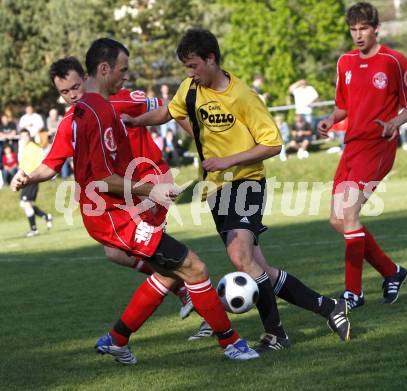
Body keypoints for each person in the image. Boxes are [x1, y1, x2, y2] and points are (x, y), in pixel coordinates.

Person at [123, 28, 351, 350]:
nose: (189, 74)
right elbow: (168, 112)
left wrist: (228, 160)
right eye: (186, 68)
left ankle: (276, 334)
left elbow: (272, 143)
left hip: (246, 182)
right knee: (259, 268)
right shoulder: (190, 89)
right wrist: (134, 122)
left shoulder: (243, 96)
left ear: (211, 59)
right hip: (216, 189)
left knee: (238, 254)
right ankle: (329, 307)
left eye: (193, 66)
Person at [72, 38, 259, 363]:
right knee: (195, 267)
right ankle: (231, 343)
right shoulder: (99, 112)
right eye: (122, 70)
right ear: (103, 69)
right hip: (114, 218)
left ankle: (117, 339)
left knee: (171, 271)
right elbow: (102, 178)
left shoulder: (93, 108)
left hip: (119, 212)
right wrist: (150, 190)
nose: (125, 77)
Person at [11, 56, 193, 320]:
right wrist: (29, 177)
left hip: (150, 177)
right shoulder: (71, 121)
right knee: (115, 253)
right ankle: (185, 291)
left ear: (86, 78)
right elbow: (51, 164)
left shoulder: (121, 98)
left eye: (75, 87)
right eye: (64, 92)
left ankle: (197, 303)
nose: (72, 95)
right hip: (121, 191)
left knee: (165, 255)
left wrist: (194, 137)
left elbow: (171, 107)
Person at [317, 2, 407, 310]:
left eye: (364, 28)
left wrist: (394, 123)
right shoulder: (345, 62)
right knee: (338, 220)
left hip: (378, 146)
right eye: (353, 29)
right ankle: (392, 272)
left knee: (349, 215)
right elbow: (344, 107)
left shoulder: (394, 60)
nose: (358, 35)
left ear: (377, 28)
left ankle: (354, 292)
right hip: (351, 146)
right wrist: (329, 119)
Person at [17, 129, 53, 237]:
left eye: (26, 136)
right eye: (22, 136)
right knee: (25, 204)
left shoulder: (33, 148)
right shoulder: (26, 148)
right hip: (26, 179)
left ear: (29, 136)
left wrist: (34, 175)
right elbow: (23, 164)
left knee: (26, 203)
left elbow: (41, 161)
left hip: (31, 178)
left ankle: (34, 229)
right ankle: (46, 217)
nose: (24, 138)